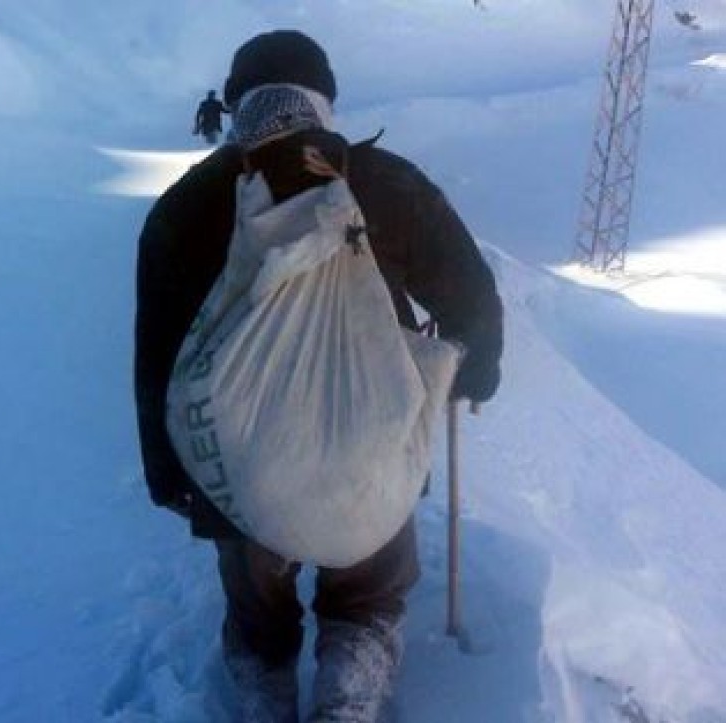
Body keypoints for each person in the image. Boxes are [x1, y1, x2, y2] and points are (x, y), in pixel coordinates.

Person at [133, 30, 503, 722]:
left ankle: (264, 693)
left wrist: (169, 471)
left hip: (239, 465)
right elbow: (469, 296)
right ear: (324, 102)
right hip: (369, 442)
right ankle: (349, 695)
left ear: (237, 104)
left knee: (257, 611)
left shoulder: (185, 208)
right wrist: (475, 369)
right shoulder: (387, 183)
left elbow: (158, 355)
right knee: (366, 594)